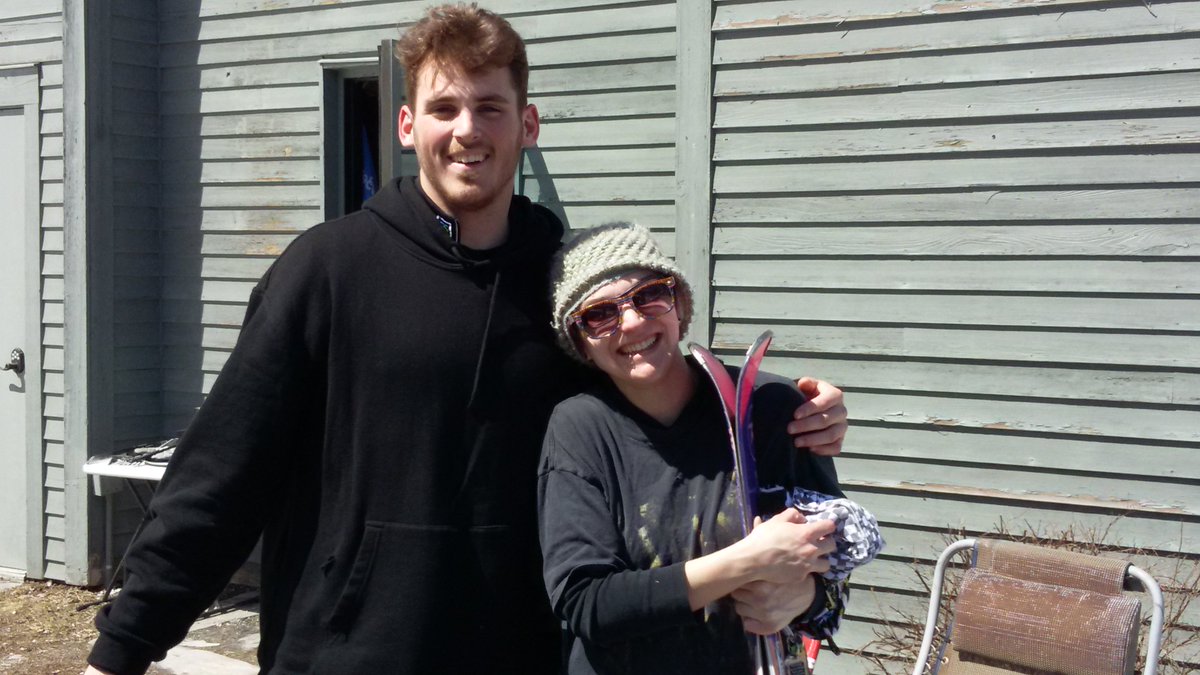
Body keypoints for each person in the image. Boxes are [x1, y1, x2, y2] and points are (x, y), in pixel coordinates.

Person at [84, 5, 849, 674]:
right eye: (444, 107)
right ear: (408, 124)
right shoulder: (328, 270)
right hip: (342, 653)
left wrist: (787, 412)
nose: (467, 130)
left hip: (523, 653)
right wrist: (124, 646)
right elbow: (221, 475)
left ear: (528, 122)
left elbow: (659, 392)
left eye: (490, 107)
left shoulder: (566, 290)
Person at [538, 222, 859, 674]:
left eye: (649, 294)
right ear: (580, 344)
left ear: (679, 303)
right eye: (599, 314)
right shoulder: (581, 428)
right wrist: (745, 562)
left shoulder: (766, 408)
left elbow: (836, 566)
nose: (631, 321)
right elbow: (586, 603)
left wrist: (802, 599)